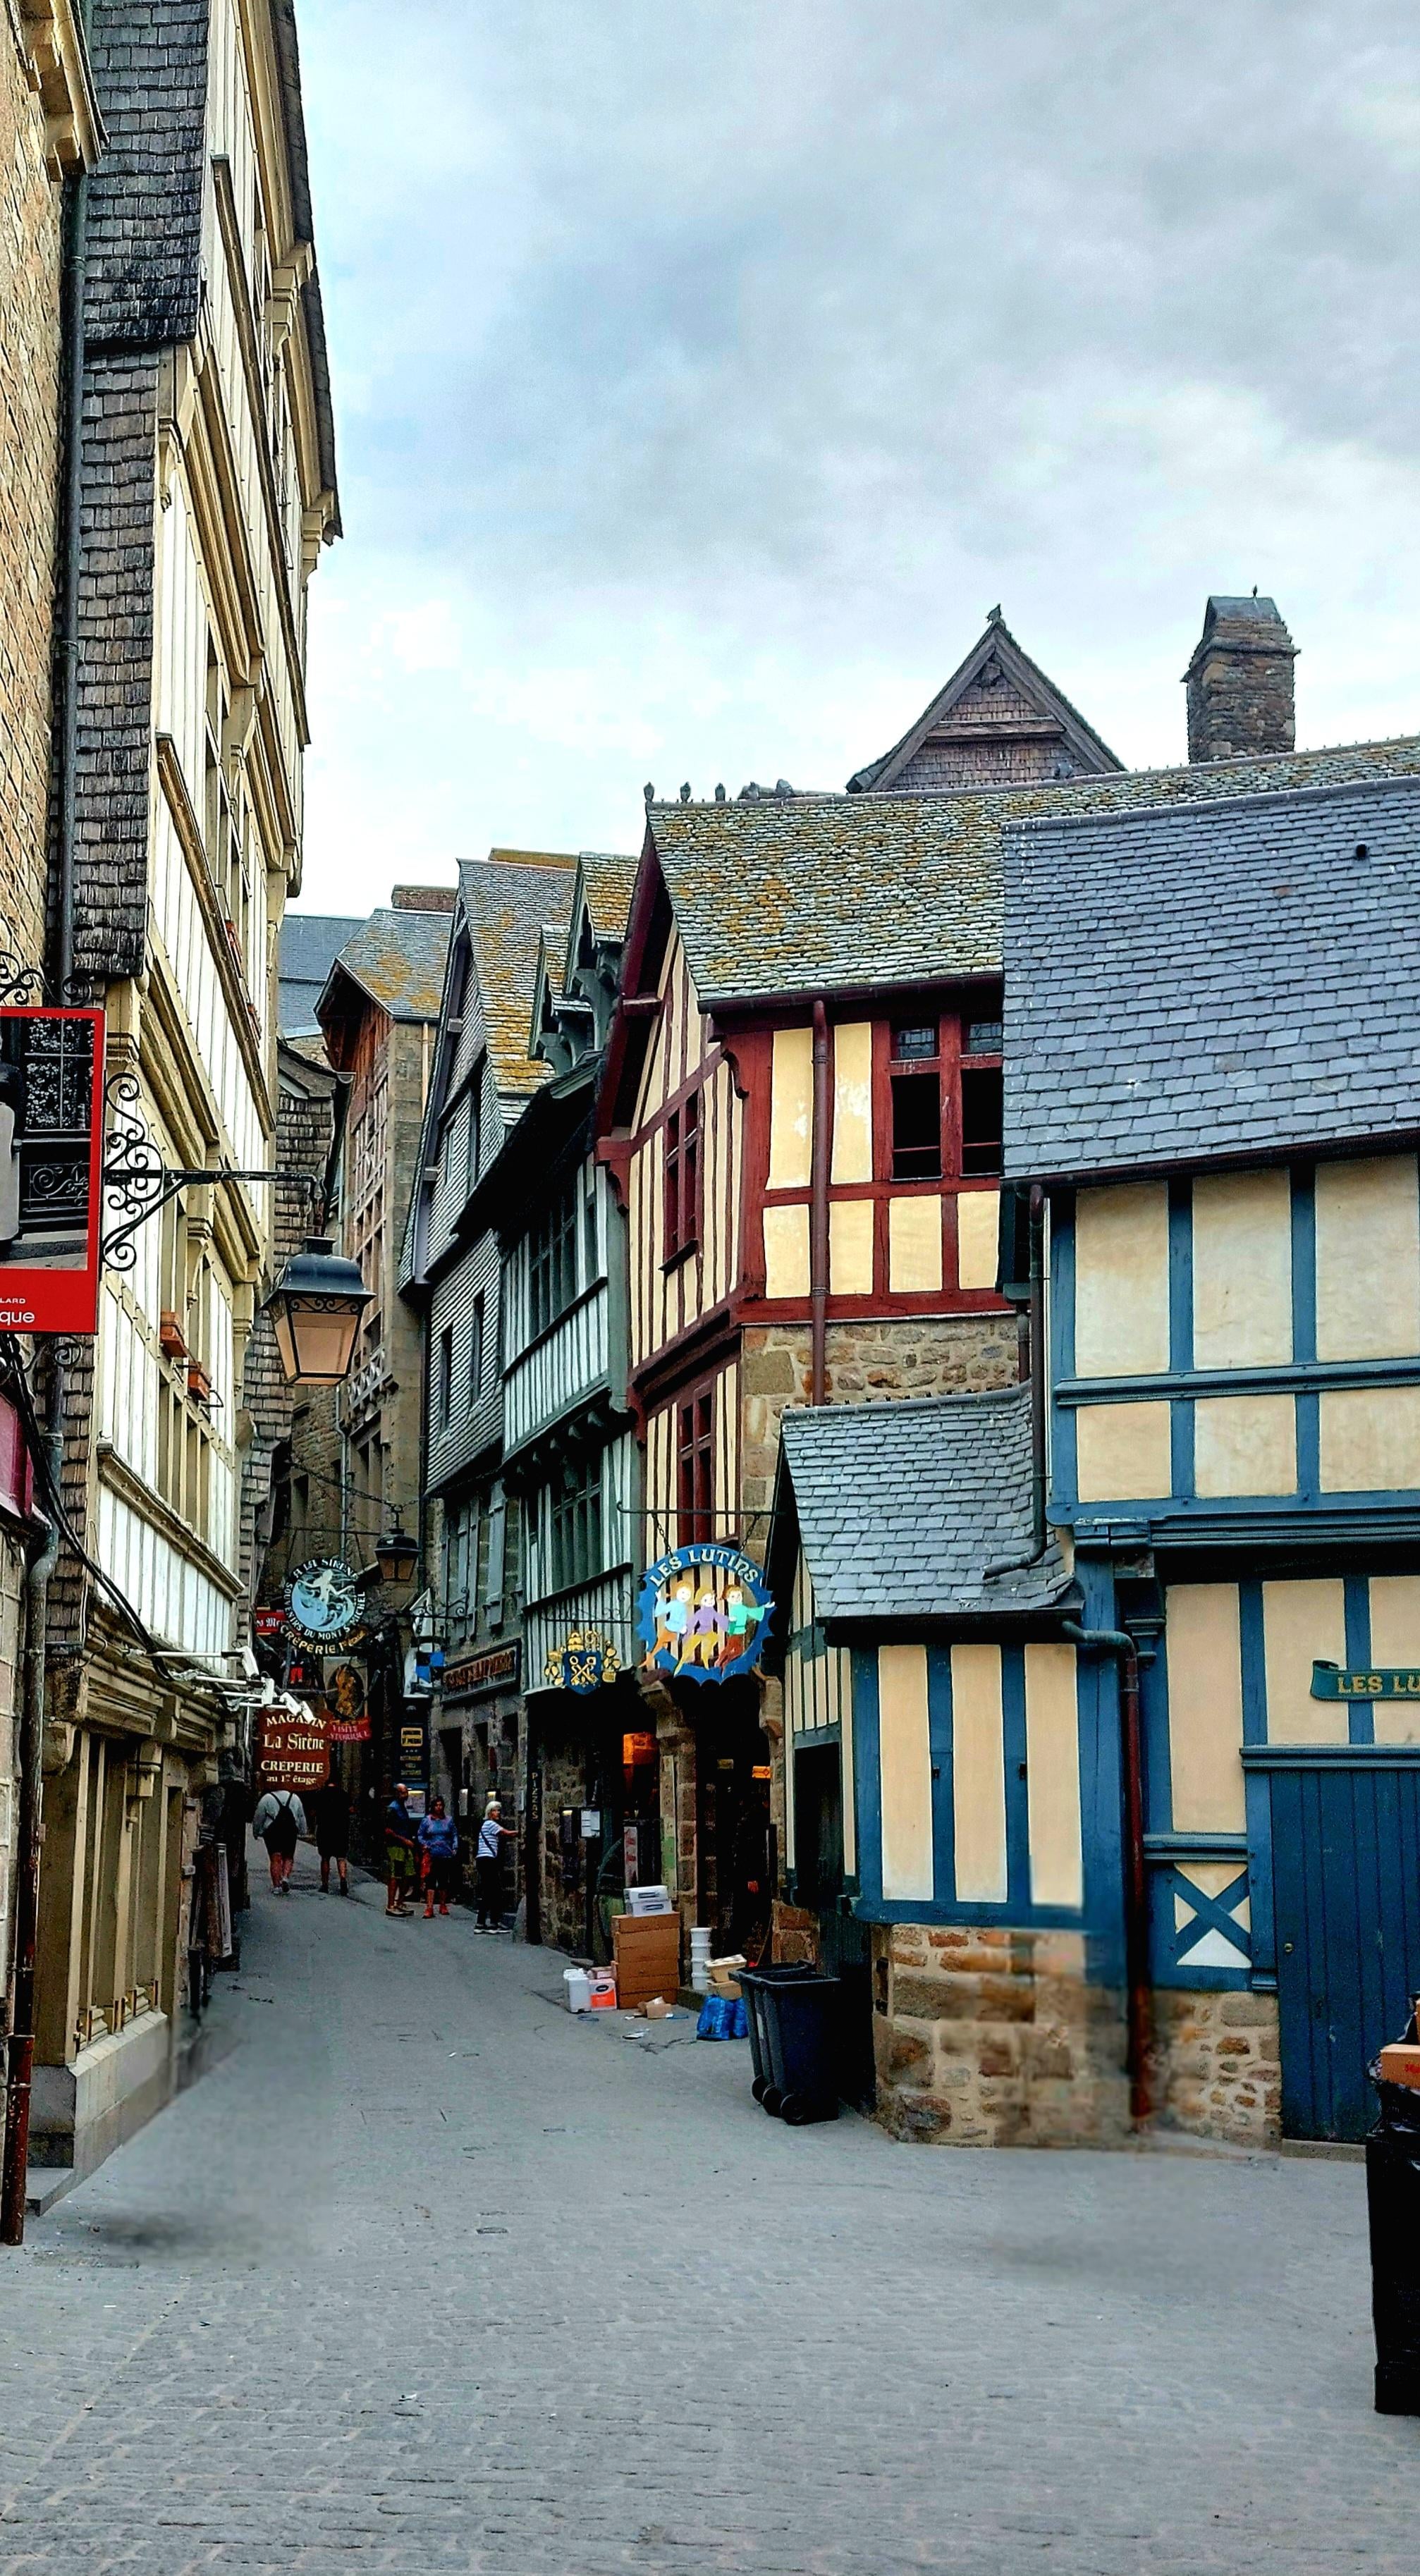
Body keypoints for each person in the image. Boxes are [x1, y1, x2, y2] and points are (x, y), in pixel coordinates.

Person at [251, 1786, 305, 1894]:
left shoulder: (267, 1798)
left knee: (275, 1858)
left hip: (273, 1831)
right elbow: (301, 1816)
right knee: (288, 1857)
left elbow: (259, 1816)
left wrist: (256, 1831)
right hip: (290, 1830)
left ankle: (277, 1886)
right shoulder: (294, 1798)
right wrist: (302, 1830)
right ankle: (285, 1877)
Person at [475, 1798, 516, 1930]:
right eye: (495, 1811)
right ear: (490, 1812)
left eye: (498, 1811)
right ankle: (492, 1923)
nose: (498, 1813)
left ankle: (482, 1923)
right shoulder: (490, 1824)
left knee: (488, 1891)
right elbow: (507, 1833)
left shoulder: (486, 1825)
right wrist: (520, 1832)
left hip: (483, 1860)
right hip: (488, 1860)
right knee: (494, 1891)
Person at [417, 1796, 460, 1918]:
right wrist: (425, 1844)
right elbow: (420, 1835)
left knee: (443, 1880)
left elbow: (454, 1834)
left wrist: (455, 1847)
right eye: (436, 1805)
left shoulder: (449, 1821)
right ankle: (429, 1907)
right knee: (430, 1880)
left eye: (441, 1805)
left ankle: (443, 1905)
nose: (439, 1808)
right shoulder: (427, 1821)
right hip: (432, 1853)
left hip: (445, 1853)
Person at [311, 1776, 352, 1896]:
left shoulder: (320, 1794)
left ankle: (325, 1885)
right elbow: (352, 1809)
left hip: (325, 1829)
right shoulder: (343, 1794)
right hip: (341, 1830)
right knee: (341, 1857)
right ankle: (343, 1879)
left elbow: (313, 1812)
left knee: (325, 1858)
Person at [384, 1783, 418, 1917]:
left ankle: (400, 1902)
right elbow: (388, 1831)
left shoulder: (402, 1808)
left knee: (408, 1874)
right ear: (397, 1794)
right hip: (396, 1846)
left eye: (406, 1792)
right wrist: (403, 1840)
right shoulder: (393, 1809)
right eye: (403, 1793)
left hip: (405, 1846)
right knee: (395, 1875)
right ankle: (391, 1905)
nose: (406, 1795)